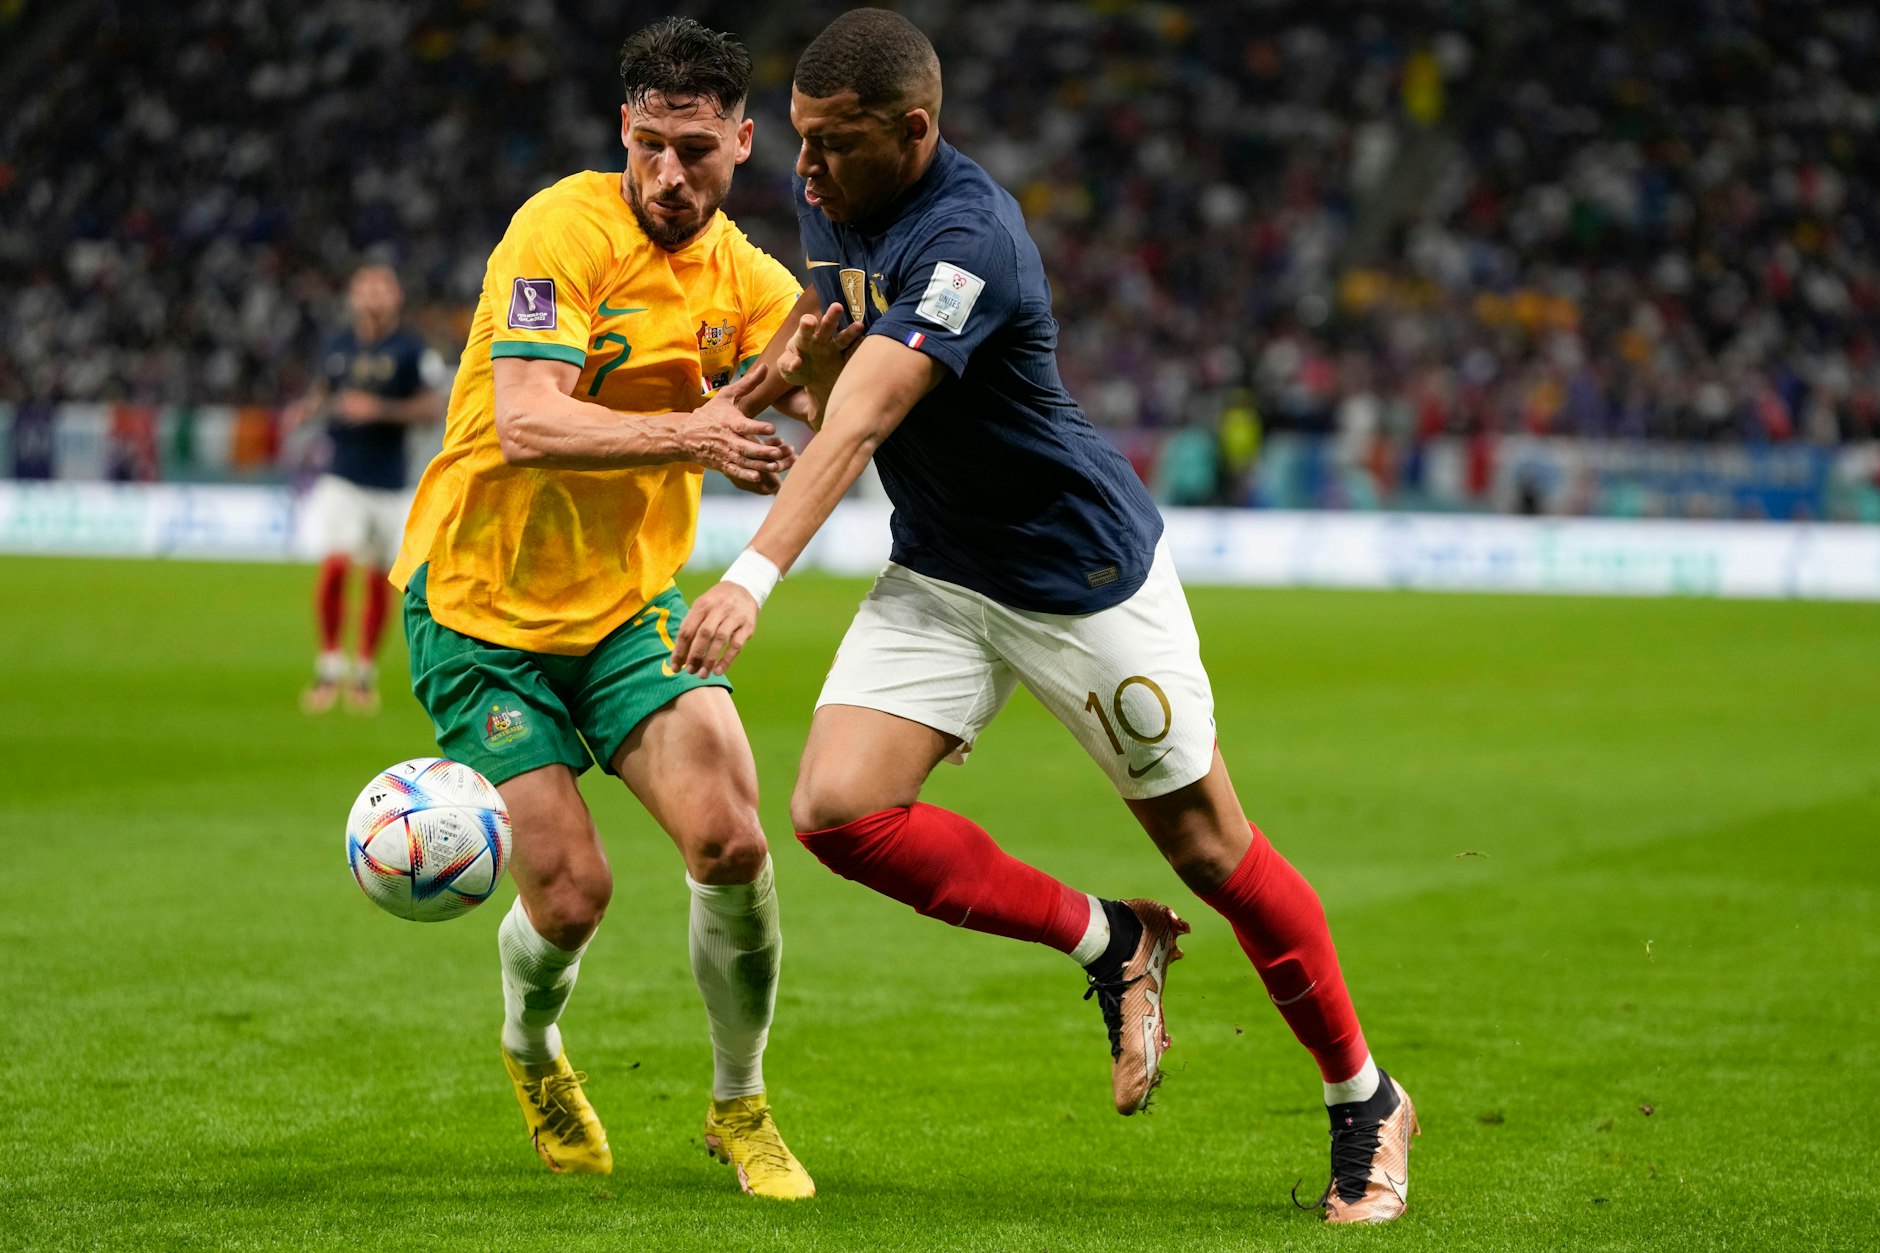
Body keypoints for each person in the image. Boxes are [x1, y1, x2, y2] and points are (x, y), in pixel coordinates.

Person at [672, 9, 1417, 1223]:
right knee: (836, 809)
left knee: (1212, 847)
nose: (800, 171)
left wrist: (748, 576)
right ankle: (1111, 940)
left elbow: (860, 419)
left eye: (833, 144)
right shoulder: (831, 191)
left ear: (914, 129)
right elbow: (842, 359)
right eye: (797, 141)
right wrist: (772, 375)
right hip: (944, 568)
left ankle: (1365, 1097)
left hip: (1076, 577)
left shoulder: (972, 240)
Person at [388, 18, 820, 1200]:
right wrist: (696, 430)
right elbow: (526, 419)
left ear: (743, 141)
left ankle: (739, 1103)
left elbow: (849, 385)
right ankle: (531, 1049)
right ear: (620, 133)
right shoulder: (561, 228)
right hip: (479, 611)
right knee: (572, 891)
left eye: (692, 150)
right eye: (646, 145)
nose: (666, 176)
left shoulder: (750, 282)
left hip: (626, 610)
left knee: (731, 834)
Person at [285, 265, 446, 714]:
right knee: (335, 566)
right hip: (342, 476)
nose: (373, 296)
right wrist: (307, 410)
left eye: (382, 288)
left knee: (379, 579)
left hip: (391, 484)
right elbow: (323, 390)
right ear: (354, 296)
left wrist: (378, 408)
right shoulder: (337, 345)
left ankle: (363, 674)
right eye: (366, 288)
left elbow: (432, 408)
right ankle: (329, 665)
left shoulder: (412, 350)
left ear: (395, 297)